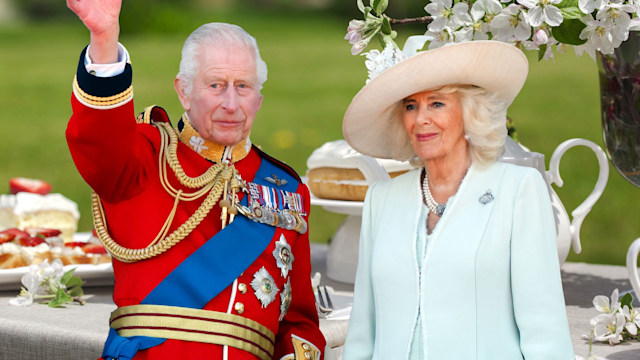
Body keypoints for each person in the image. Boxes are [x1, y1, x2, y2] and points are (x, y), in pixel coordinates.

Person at [65, 1, 326, 359]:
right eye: (216, 85)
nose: (231, 104)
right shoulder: (144, 160)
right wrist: (105, 37)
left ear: (259, 99)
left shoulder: (286, 191)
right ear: (183, 91)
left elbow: (298, 323)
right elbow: (99, 138)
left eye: (243, 86)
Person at [341, 40, 574, 359]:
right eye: (411, 105)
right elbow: (362, 334)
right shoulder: (381, 199)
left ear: (469, 112)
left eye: (436, 104)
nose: (421, 119)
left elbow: (544, 331)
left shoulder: (518, 189)